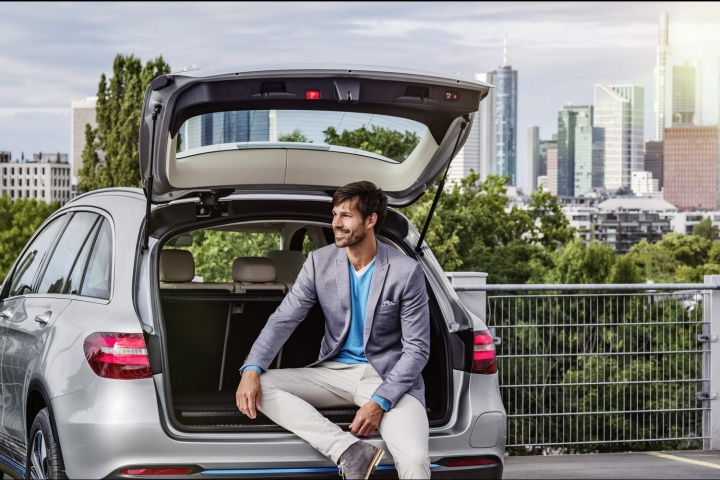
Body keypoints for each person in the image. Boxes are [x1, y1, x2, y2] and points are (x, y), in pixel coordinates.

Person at [236, 180, 431, 480]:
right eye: (335, 214)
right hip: (333, 372)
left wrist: (379, 402)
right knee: (262, 383)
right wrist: (251, 368)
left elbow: (417, 350)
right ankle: (348, 450)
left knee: (415, 460)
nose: (336, 224)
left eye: (346, 216)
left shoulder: (405, 271)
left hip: (387, 376)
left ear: (370, 220)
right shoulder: (319, 262)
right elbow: (283, 319)